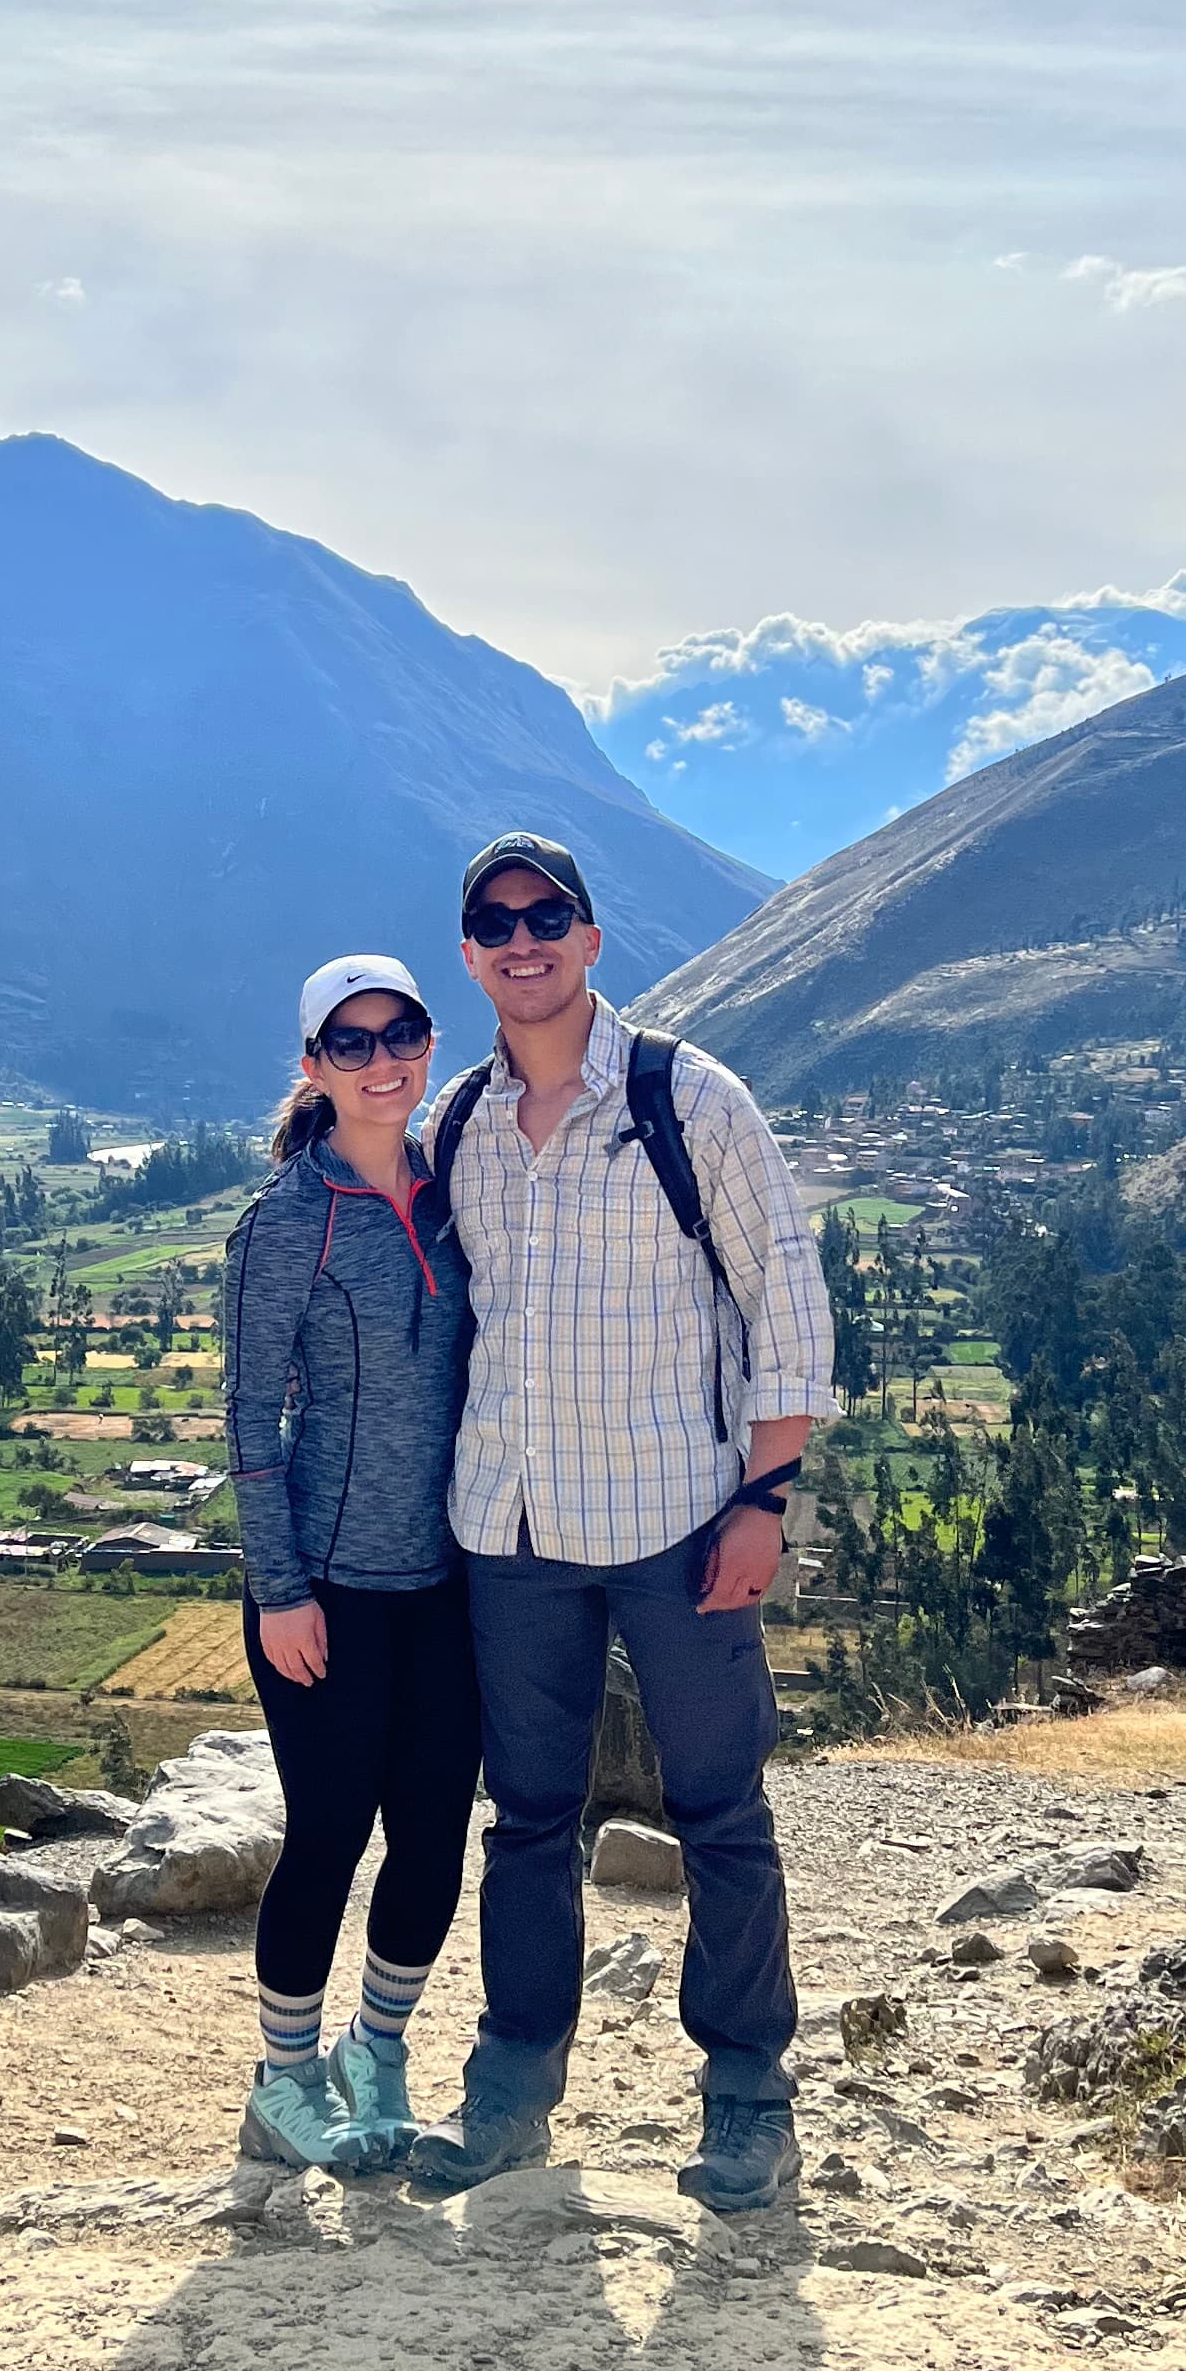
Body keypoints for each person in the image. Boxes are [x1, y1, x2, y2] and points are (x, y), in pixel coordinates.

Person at [408, 832, 834, 2214]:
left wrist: (765, 1498)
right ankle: (513, 2085)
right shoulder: (464, 1122)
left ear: (594, 939)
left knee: (720, 1809)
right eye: (495, 922)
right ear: (470, 954)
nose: (522, 940)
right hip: (512, 1528)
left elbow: (785, 1301)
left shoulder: (687, 1099)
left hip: (676, 1520)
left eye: (548, 916)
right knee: (526, 1818)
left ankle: (748, 2099)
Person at [218, 954, 480, 2174]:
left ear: (428, 1045)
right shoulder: (284, 1222)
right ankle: (282, 2081)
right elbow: (249, 1416)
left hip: (451, 1581)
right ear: (314, 1068)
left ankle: (376, 2052)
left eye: (402, 1036)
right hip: (324, 1586)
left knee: (431, 1835)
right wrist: (278, 1591)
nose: (384, 1062)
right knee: (327, 1835)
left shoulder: (461, 1188)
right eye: (353, 1044)